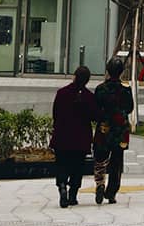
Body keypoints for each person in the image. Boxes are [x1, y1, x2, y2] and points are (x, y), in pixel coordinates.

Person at [49, 64, 98, 208]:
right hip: (80, 138)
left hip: (62, 136)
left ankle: (62, 186)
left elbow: (55, 114)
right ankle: (73, 195)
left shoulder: (62, 93)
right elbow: (95, 116)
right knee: (78, 167)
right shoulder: (89, 97)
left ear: (74, 76)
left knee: (62, 164)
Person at [89, 55, 134, 205]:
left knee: (100, 158)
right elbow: (130, 108)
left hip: (104, 128)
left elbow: (95, 109)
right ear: (121, 72)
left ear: (108, 70)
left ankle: (100, 184)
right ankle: (112, 192)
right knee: (116, 161)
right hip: (120, 129)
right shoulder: (126, 89)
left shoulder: (101, 89)